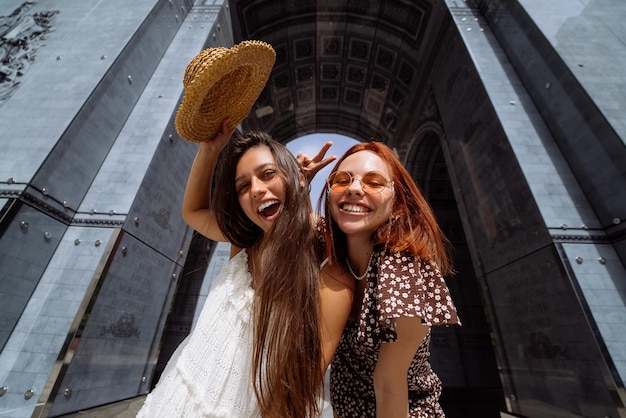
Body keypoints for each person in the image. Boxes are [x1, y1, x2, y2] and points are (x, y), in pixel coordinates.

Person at [137, 120, 354, 418]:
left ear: (300, 179)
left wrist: (299, 192)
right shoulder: (244, 240)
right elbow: (193, 211)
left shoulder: (328, 274)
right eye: (243, 186)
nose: (255, 189)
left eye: (268, 174)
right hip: (174, 399)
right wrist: (210, 149)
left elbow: (290, 397)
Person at [317, 141, 460, 418]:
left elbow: (389, 386)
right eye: (341, 180)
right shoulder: (328, 241)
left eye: (374, 182)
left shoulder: (406, 272)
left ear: (396, 202)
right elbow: (267, 225)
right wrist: (296, 187)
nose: (354, 189)